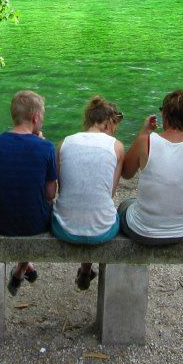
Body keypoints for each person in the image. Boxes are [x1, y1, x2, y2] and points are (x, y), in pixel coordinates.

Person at [0, 90, 58, 296]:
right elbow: (50, 194)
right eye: (42, 117)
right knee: (33, 204)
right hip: (35, 224)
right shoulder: (46, 147)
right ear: (35, 118)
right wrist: (40, 143)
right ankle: (23, 267)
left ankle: (24, 268)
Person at [51, 96, 125, 290]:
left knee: (84, 204)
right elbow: (109, 194)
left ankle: (85, 270)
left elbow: (63, 189)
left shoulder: (64, 143)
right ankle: (85, 269)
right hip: (102, 230)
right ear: (109, 122)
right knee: (102, 210)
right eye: (115, 126)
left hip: (63, 227)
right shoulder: (117, 147)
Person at [119, 89, 183, 245]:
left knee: (125, 205)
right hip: (182, 230)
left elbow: (126, 173)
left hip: (143, 229)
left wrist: (143, 132)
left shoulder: (146, 141)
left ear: (165, 114)